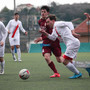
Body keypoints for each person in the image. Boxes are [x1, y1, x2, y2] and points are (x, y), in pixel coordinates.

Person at [39, 14, 83, 79]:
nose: (47, 24)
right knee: (69, 61)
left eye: (48, 22)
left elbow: (69, 23)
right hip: (73, 43)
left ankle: (78, 73)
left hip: (72, 43)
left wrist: (73, 32)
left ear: (53, 21)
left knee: (65, 61)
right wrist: (45, 33)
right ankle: (87, 66)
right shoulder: (55, 29)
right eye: (46, 22)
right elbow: (53, 38)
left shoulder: (57, 24)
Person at [34, 6, 62, 78]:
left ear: (47, 13)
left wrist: (41, 37)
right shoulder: (40, 21)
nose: (42, 13)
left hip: (54, 42)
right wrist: (41, 37)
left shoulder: (50, 21)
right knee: (46, 57)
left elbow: (53, 33)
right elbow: (44, 32)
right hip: (46, 42)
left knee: (59, 60)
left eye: (44, 12)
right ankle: (56, 73)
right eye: (42, 12)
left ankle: (70, 61)